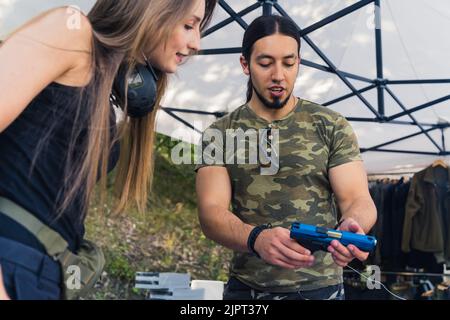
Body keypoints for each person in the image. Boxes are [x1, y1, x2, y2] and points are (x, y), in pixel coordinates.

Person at [0, 0, 217, 300]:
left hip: (41, 276)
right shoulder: (70, 32)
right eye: (189, 25)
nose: (196, 44)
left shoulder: (106, 92)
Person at [196, 15, 377, 300]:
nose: (278, 74)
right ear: (245, 65)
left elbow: (358, 199)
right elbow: (211, 212)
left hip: (321, 289)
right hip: (248, 290)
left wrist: (353, 224)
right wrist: (256, 239)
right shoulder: (220, 133)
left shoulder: (330, 125)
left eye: (289, 63)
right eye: (265, 63)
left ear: (299, 63)